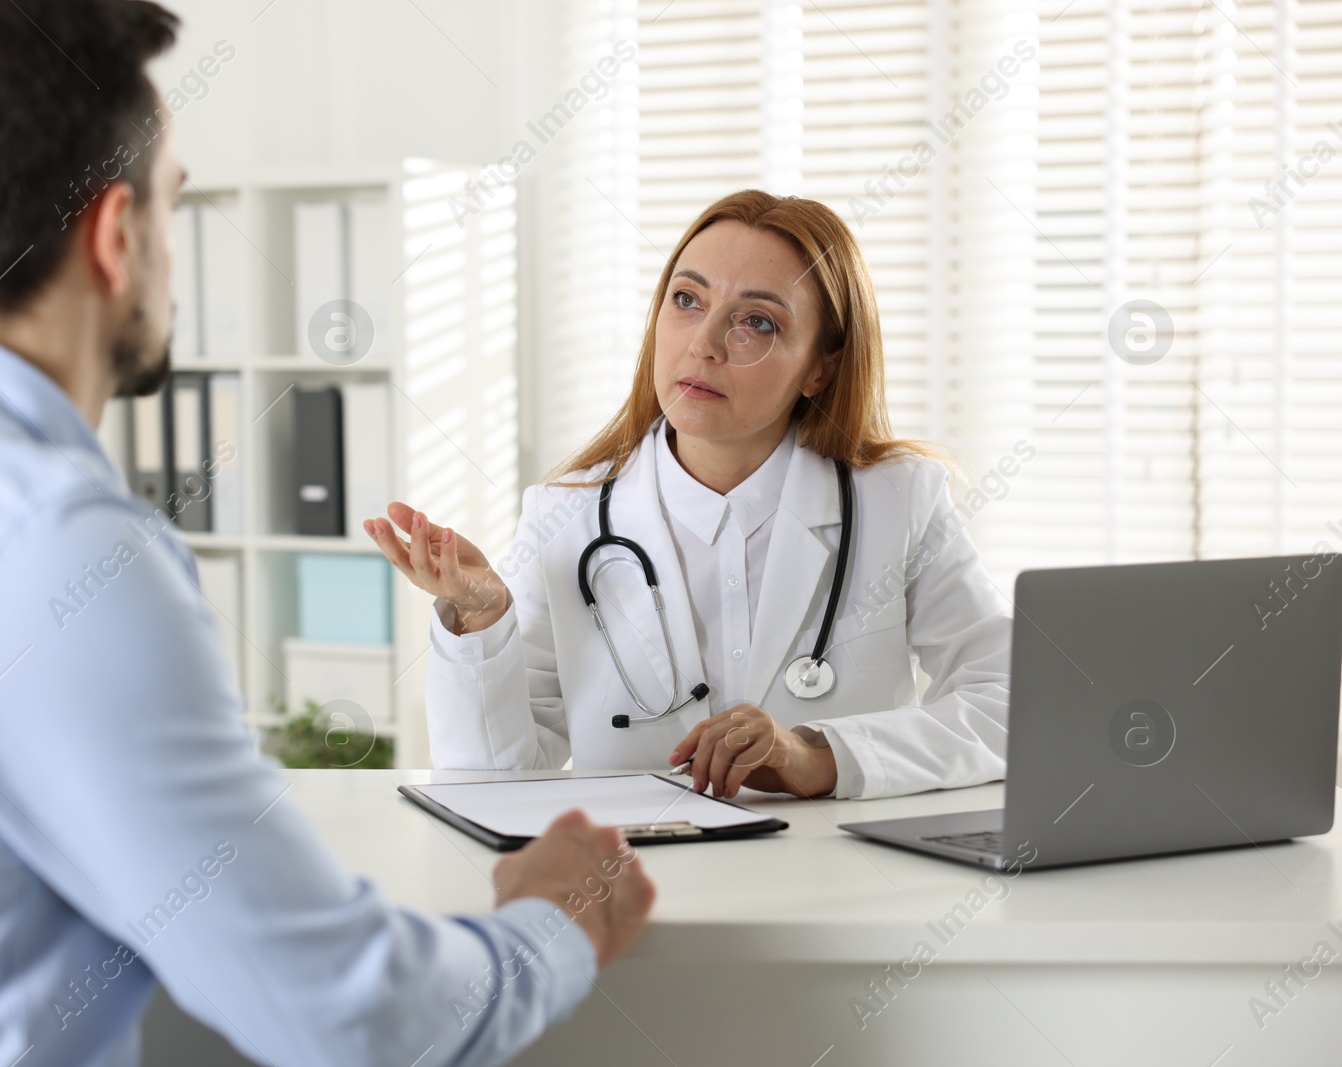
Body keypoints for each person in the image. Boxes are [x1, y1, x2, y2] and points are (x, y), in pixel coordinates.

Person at [0, 2, 653, 1065]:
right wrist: (552, 919)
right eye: (176, 208)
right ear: (116, 235)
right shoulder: (52, 547)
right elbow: (352, 1018)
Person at [368, 191, 1014, 801]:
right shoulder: (564, 513)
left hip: (836, 884)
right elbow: (491, 778)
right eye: (686, 299)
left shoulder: (897, 499)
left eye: (756, 322)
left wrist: (822, 756)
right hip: (628, 884)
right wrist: (482, 620)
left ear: (821, 366)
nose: (703, 344)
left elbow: (1011, 703)